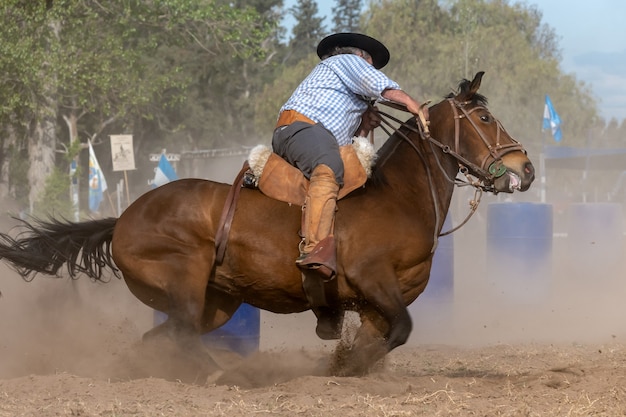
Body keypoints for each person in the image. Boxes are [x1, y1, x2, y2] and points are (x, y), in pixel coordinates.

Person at [273, 32, 429, 281]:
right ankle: (314, 249)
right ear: (359, 55)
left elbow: (356, 146)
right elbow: (383, 87)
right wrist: (413, 104)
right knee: (328, 166)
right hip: (302, 127)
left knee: (352, 174)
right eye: (370, 63)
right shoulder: (345, 61)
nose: (370, 68)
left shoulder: (351, 98)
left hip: (317, 137)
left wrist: (365, 125)